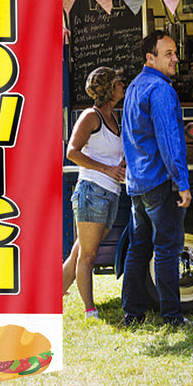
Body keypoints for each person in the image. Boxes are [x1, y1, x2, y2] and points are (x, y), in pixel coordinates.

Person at [121, 30, 193, 329]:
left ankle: (132, 315)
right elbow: (168, 141)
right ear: (150, 58)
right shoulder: (161, 90)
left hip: (137, 182)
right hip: (159, 181)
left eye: (175, 52)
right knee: (166, 248)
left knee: (138, 249)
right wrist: (182, 183)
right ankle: (172, 318)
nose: (175, 59)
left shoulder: (134, 86)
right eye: (168, 54)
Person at [63, 66, 127, 320]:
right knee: (88, 256)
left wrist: (121, 164)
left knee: (79, 251)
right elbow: (72, 152)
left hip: (110, 193)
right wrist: (108, 169)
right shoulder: (91, 116)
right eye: (119, 81)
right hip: (92, 192)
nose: (123, 84)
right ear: (109, 88)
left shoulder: (114, 118)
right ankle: (90, 310)